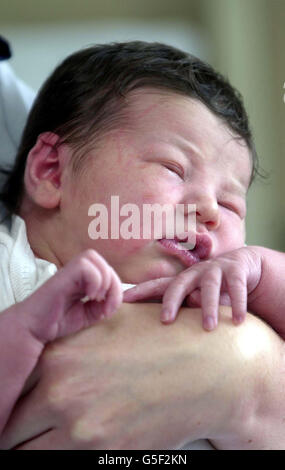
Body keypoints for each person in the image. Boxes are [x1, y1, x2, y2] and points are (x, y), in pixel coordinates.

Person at [0, 41, 284, 450]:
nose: (209, 211)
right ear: (51, 172)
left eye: (230, 204)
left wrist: (262, 273)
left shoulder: (215, 297)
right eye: (173, 168)